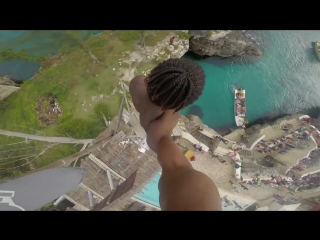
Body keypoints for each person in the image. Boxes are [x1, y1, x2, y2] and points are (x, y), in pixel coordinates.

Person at [130, 58, 221, 210]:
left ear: (155, 75)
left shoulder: (137, 83)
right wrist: (174, 108)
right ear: (185, 102)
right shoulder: (161, 129)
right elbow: (160, 139)